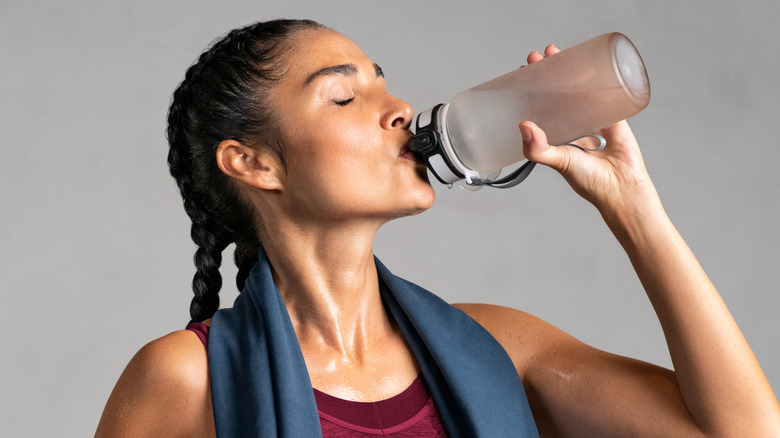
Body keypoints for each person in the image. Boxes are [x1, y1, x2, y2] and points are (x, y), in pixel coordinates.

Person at [95, 19, 780, 437]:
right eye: (344, 95)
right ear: (253, 162)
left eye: (384, 83)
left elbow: (745, 433)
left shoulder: (500, 348)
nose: (397, 108)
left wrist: (635, 210)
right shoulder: (186, 379)